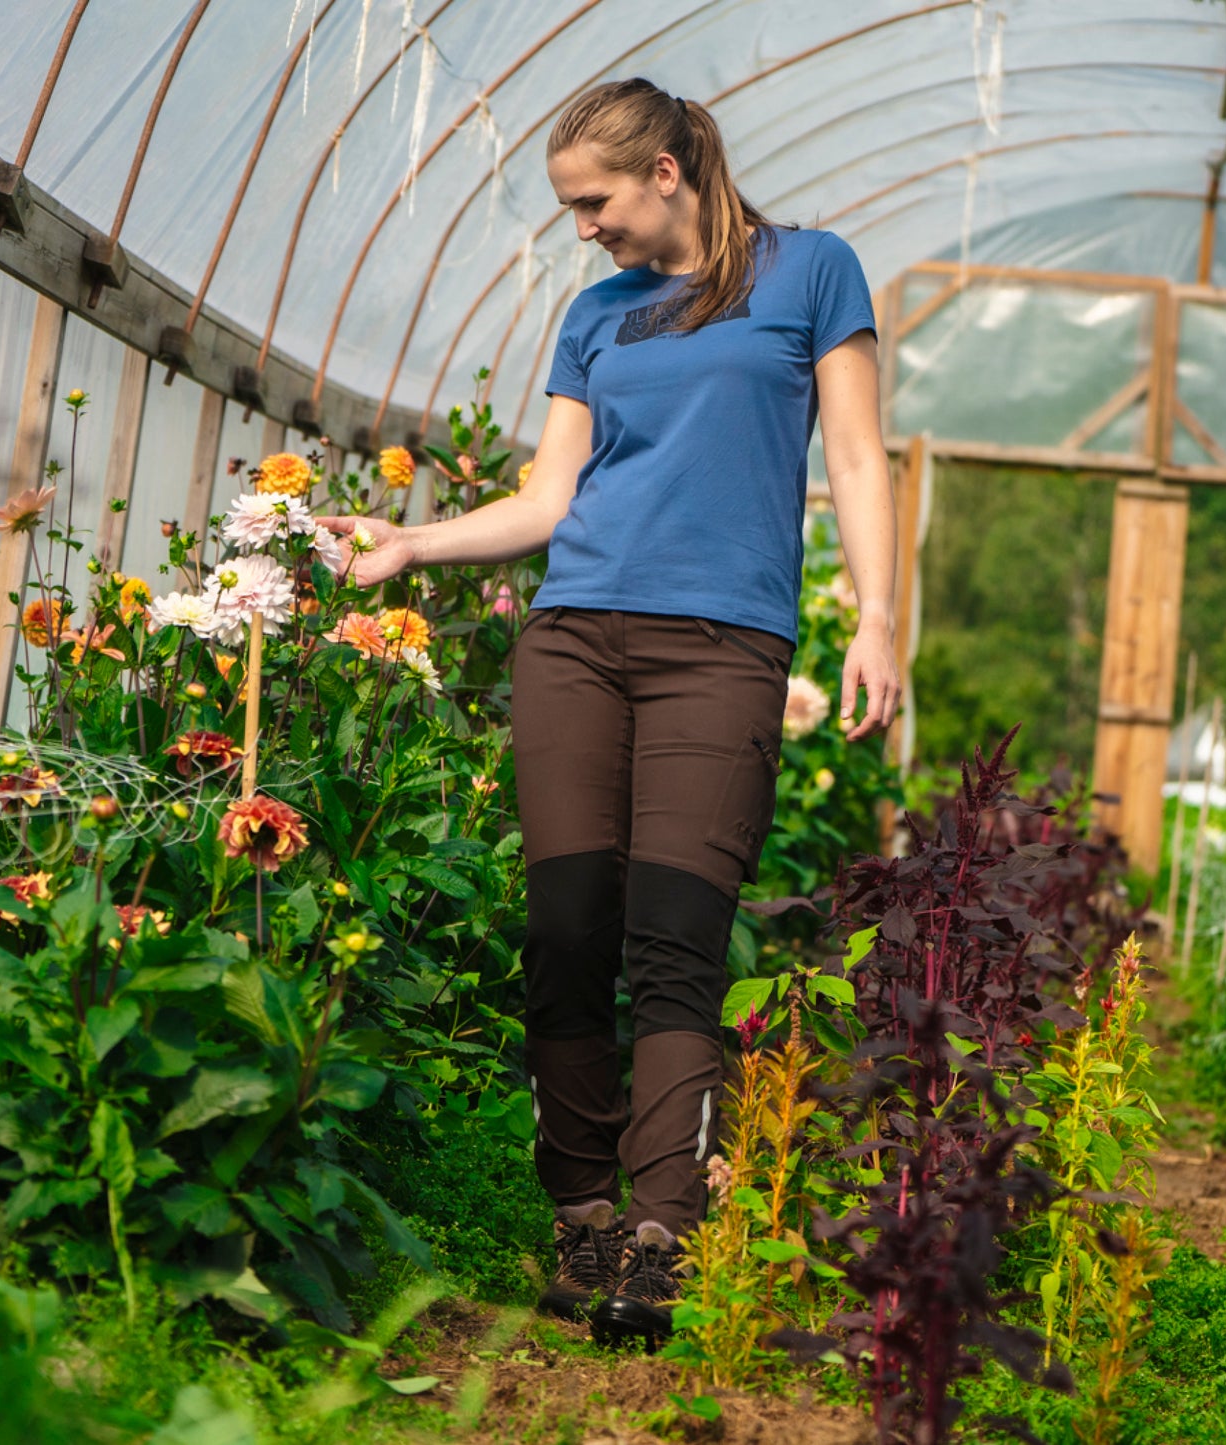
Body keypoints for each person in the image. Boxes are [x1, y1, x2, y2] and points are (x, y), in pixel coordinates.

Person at [320, 77, 899, 1345]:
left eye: (593, 202)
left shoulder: (811, 273)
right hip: (575, 637)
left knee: (675, 934)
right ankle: (580, 1210)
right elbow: (547, 499)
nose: (581, 229)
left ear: (669, 174)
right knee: (568, 923)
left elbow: (855, 453)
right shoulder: (595, 316)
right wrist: (413, 546)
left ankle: (661, 1229)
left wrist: (877, 615)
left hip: (723, 645)